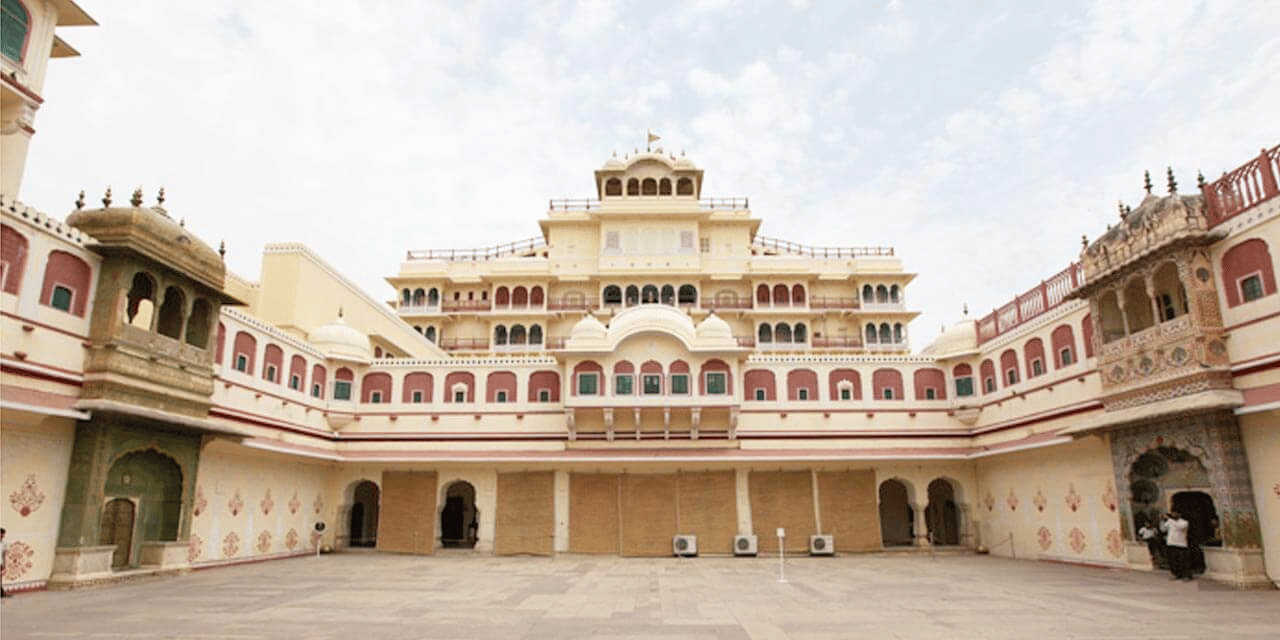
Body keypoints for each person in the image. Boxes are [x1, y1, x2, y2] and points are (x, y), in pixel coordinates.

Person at [1160, 511, 1192, 581]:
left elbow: (1178, 527)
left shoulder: (1184, 522)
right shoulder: (1169, 522)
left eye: (1175, 513)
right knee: (1173, 561)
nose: (1174, 514)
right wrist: (1162, 520)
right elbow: (1162, 529)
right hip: (1171, 543)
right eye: (1173, 513)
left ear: (1179, 514)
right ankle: (1177, 574)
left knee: (1183, 561)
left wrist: (1169, 519)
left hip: (1181, 544)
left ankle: (1187, 575)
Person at [1, 527, 9, 598]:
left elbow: (4, 554)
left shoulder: (4, 543)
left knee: (0, 578)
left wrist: (5, 564)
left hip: (0, 562)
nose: (2, 535)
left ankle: (1, 592)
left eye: (3, 534)